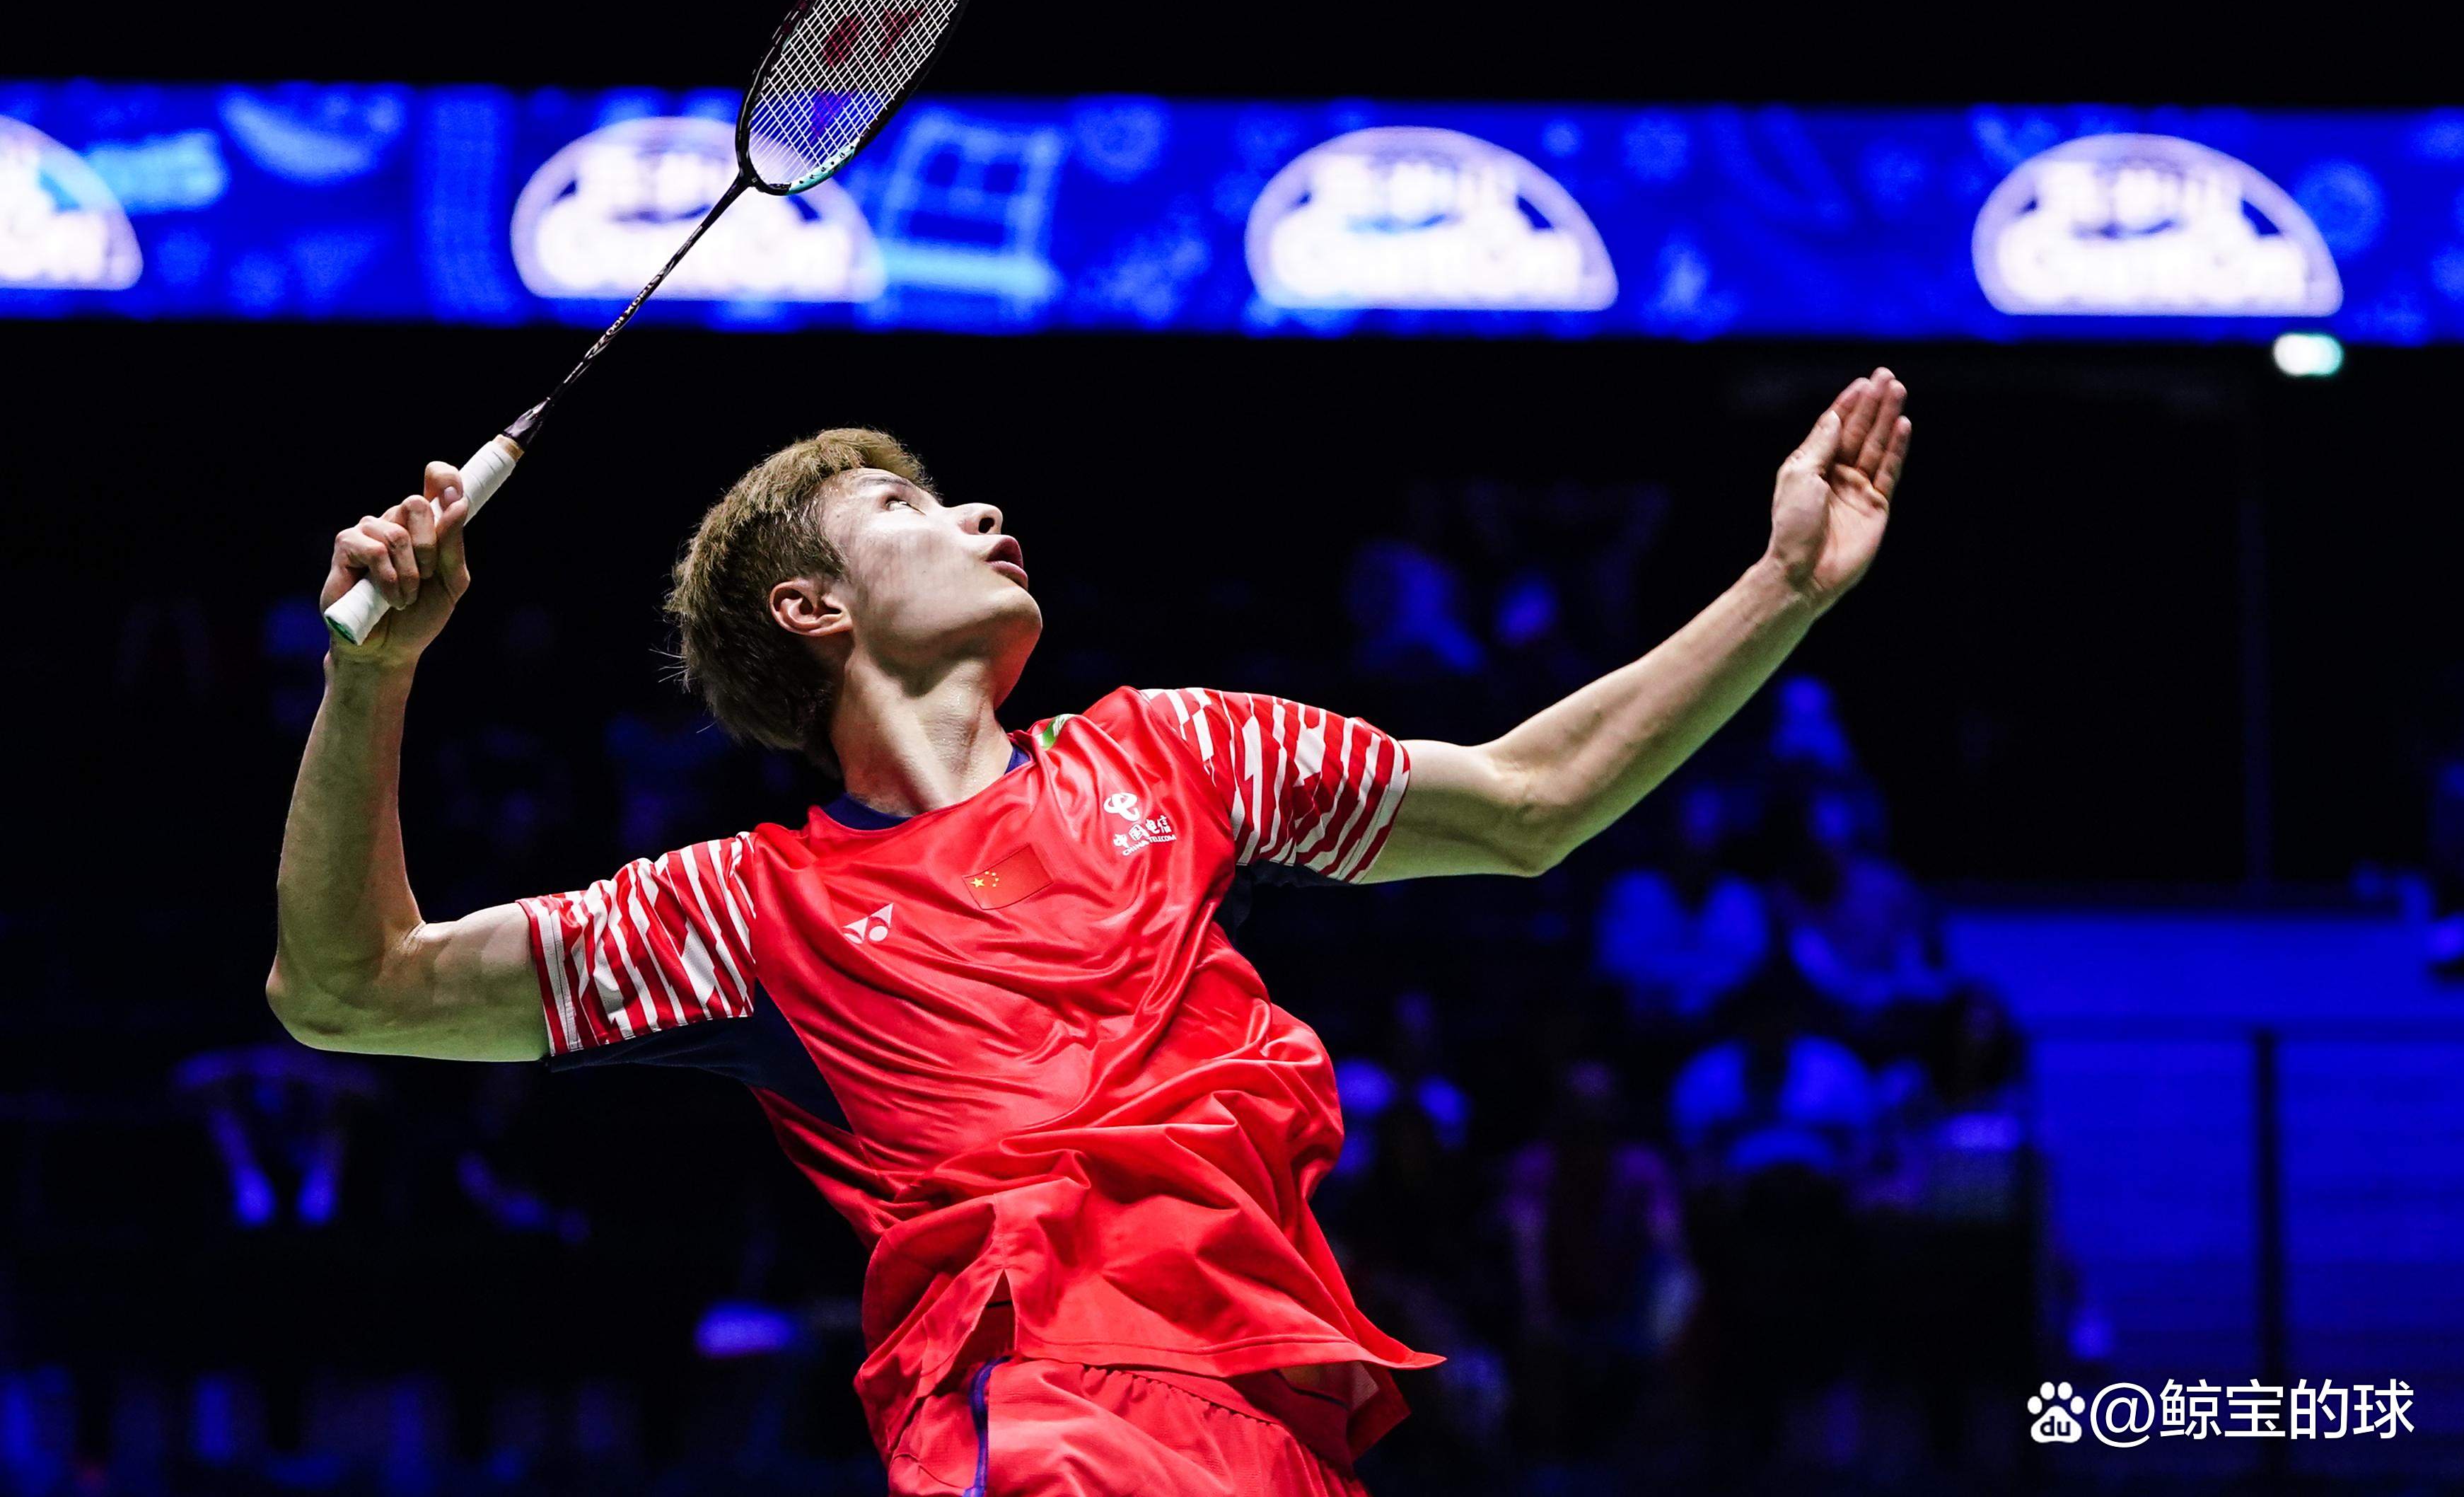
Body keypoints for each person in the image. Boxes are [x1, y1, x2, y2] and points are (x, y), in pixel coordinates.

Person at [268, 372, 1912, 1495]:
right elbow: (351, 991)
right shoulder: (749, 914)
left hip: (1271, 1421)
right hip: (1037, 1416)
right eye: (907, 505)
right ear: (810, 611)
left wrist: (1783, 587)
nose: (980, 509)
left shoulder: (1175, 756)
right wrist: (376, 672)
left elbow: (1528, 800)